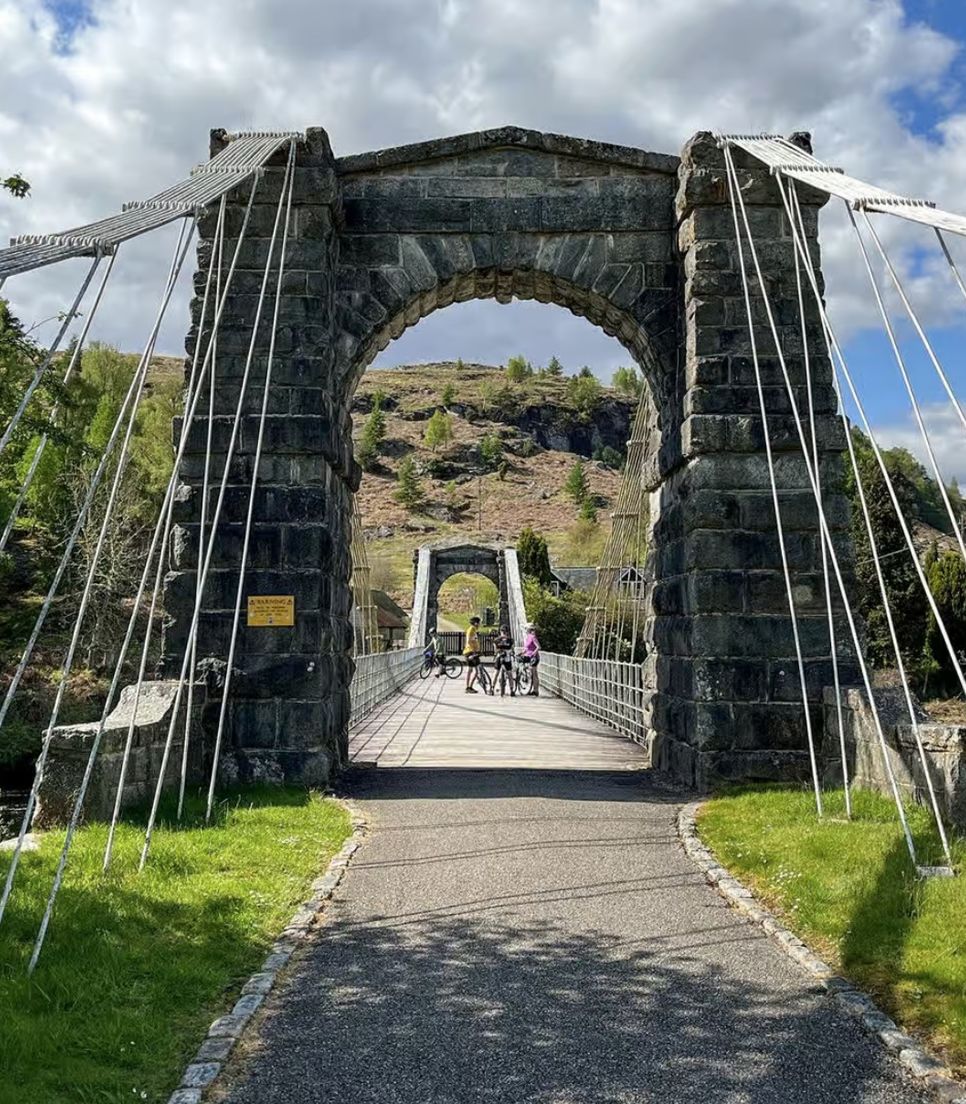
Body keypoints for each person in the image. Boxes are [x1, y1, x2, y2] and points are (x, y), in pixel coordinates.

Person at [494, 624, 515, 695]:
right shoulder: (511, 640)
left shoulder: (497, 640)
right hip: (507, 657)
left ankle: (491, 688)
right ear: (507, 632)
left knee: (496, 672)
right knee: (509, 673)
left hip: (499, 657)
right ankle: (512, 690)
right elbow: (512, 649)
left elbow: (495, 650)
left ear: (500, 631)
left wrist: (497, 651)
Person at [463, 616, 482, 693]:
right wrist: (473, 652)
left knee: (472, 670)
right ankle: (468, 687)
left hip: (472, 652)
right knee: (472, 670)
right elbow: (468, 641)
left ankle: (469, 687)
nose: (479, 625)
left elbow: (474, 641)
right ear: (476, 623)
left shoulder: (473, 630)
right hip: (470, 652)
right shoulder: (471, 630)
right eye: (479, 623)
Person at [522, 621, 541, 696]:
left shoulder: (533, 637)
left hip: (534, 658)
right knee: (531, 673)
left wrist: (534, 653)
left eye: (526, 628)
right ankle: (533, 689)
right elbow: (527, 648)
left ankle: (536, 690)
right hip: (528, 657)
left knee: (534, 673)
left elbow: (538, 647)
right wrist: (522, 652)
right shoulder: (527, 637)